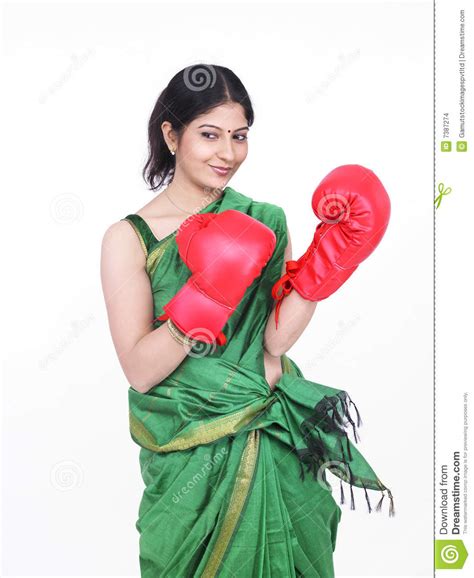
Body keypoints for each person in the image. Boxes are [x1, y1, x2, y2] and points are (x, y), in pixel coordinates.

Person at [100, 63, 394, 578]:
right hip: (188, 452)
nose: (228, 153)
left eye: (239, 137)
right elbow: (140, 370)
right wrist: (205, 298)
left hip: (274, 441)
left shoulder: (265, 220)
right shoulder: (129, 239)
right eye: (209, 135)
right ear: (171, 134)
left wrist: (327, 265)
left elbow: (274, 342)